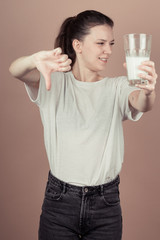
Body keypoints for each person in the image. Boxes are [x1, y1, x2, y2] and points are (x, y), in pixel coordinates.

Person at [9, 10, 157, 240]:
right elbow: (15, 70)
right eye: (100, 43)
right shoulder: (54, 81)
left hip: (106, 204)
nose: (108, 50)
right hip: (59, 202)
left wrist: (148, 90)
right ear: (77, 45)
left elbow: (142, 103)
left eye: (111, 43)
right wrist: (34, 60)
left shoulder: (117, 86)